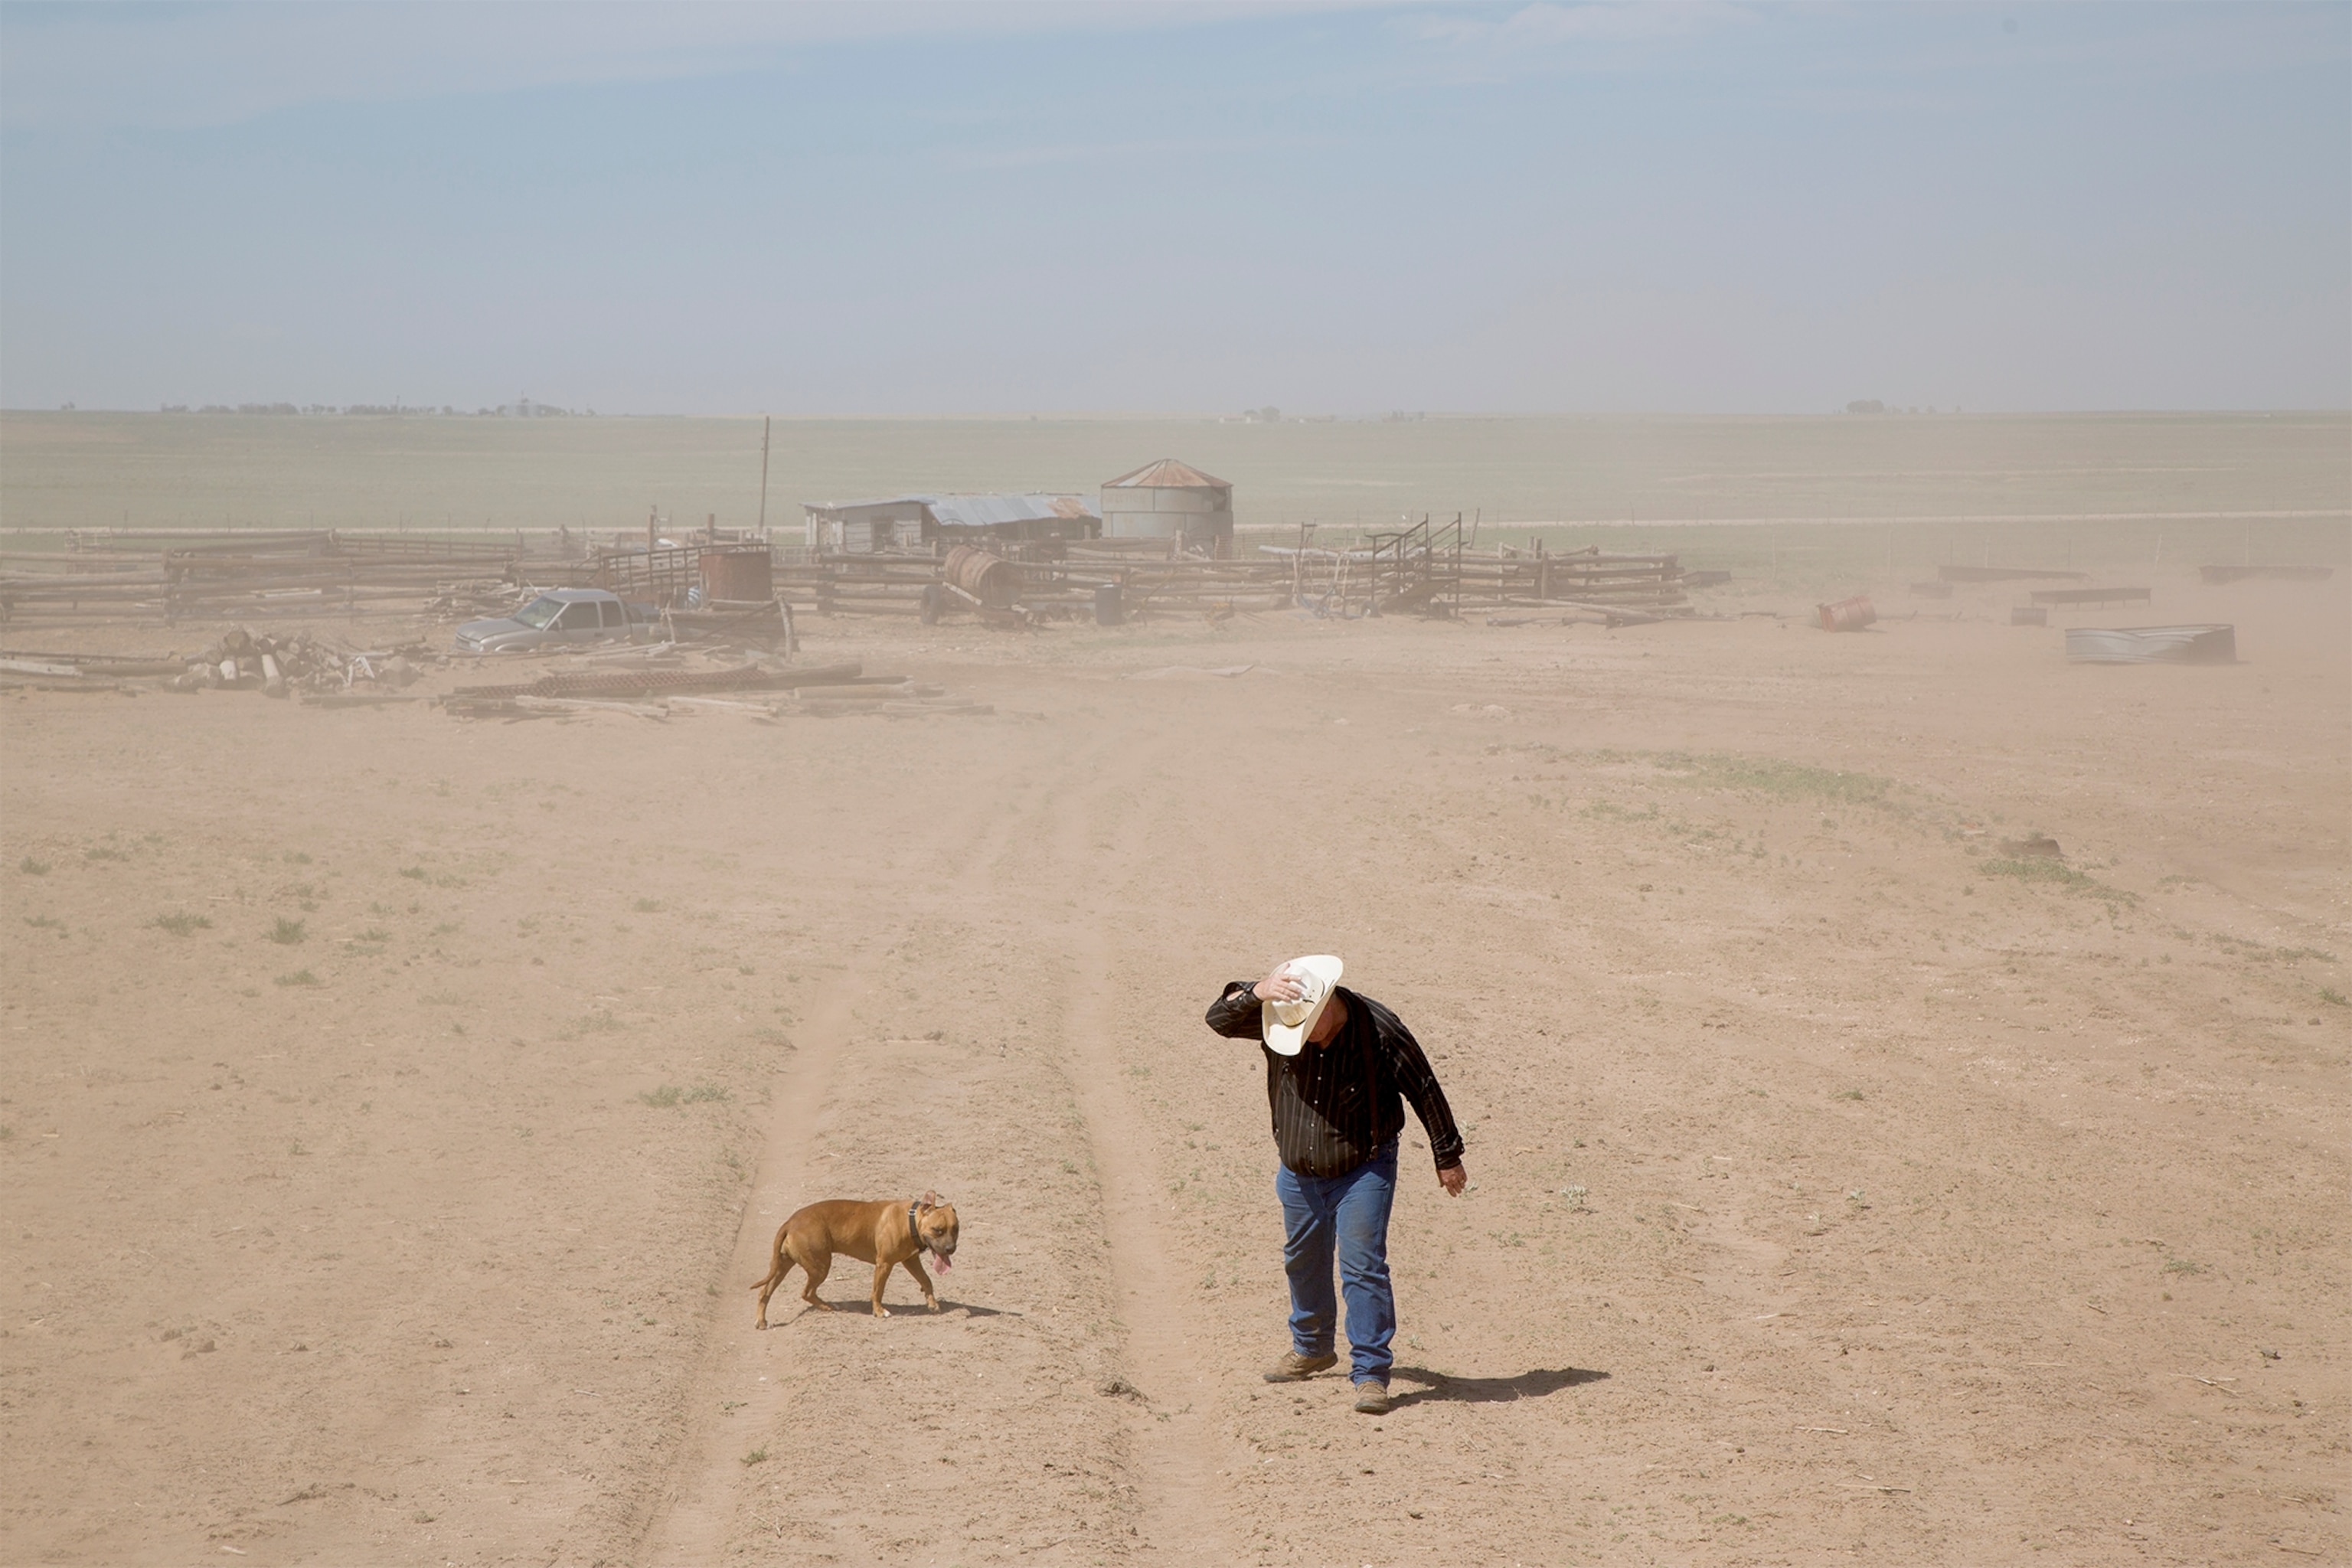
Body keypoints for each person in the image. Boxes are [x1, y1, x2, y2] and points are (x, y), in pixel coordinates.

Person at [1204, 955, 1467, 1415]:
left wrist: (1447, 1156)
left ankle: (1370, 1373)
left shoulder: (1380, 1028)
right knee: (1301, 1258)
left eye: (1309, 1028)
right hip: (1298, 1170)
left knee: (1362, 1266)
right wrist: (1257, 990)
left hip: (1364, 1166)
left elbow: (1423, 1086)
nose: (1301, 1039)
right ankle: (1312, 1349)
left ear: (1328, 1004)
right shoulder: (1275, 1010)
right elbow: (1218, 1019)